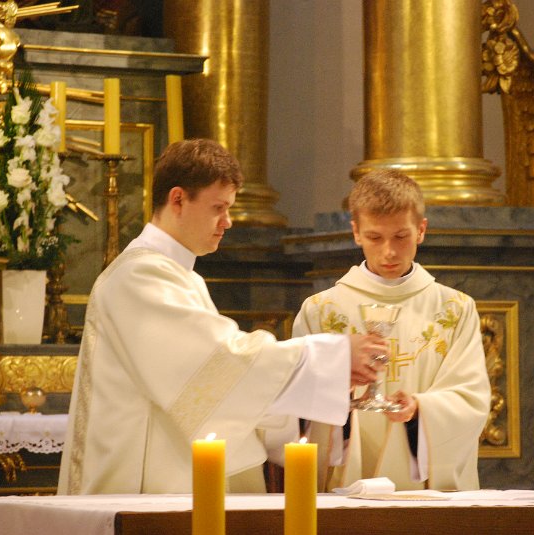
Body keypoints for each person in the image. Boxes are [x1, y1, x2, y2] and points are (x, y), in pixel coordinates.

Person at [57, 139, 386, 495]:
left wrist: (324, 379)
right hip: (138, 490)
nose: (227, 222)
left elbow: (218, 388)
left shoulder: (177, 276)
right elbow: (218, 362)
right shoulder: (139, 276)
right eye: (218, 208)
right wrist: (332, 358)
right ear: (178, 199)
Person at [292, 169, 491, 491]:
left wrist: (420, 410)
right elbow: (294, 405)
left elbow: (470, 399)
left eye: (401, 236)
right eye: (375, 237)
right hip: (345, 484)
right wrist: (337, 391)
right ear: (356, 232)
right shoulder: (321, 311)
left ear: (421, 230)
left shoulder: (455, 309)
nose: (389, 251)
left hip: (424, 491)